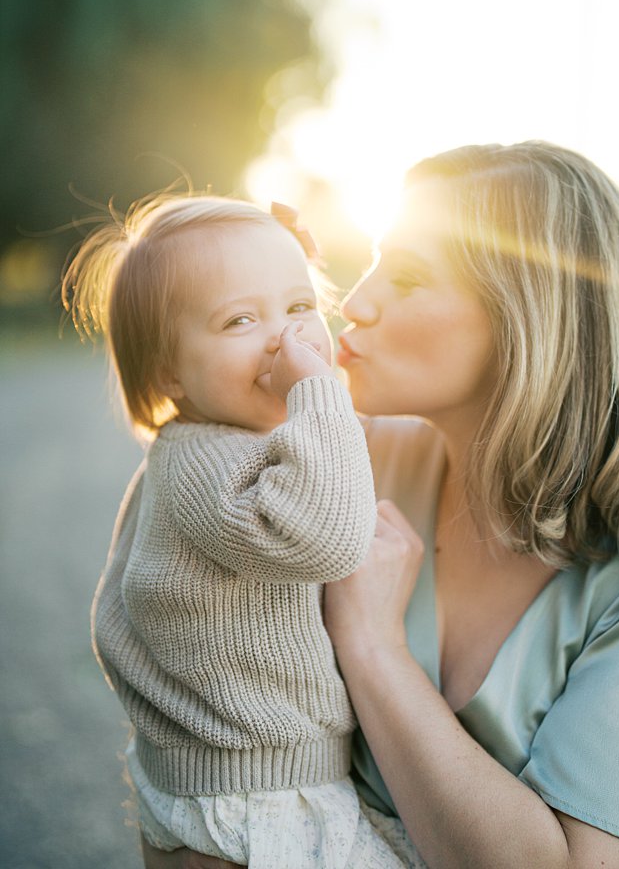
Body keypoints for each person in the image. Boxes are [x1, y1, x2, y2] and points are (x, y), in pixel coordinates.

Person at [140, 142, 619, 869]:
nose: (354, 303)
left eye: (406, 276)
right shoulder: (344, 463)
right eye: (370, 265)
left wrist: (374, 647)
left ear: (531, 321)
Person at [62, 195, 426, 868]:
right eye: (239, 320)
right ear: (170, 371)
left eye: (298, 308)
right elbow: (329, 540)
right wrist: (321, 394)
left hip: (254, 783)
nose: (284, 341)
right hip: (261, 796)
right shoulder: (211, 463)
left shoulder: (212, 448)